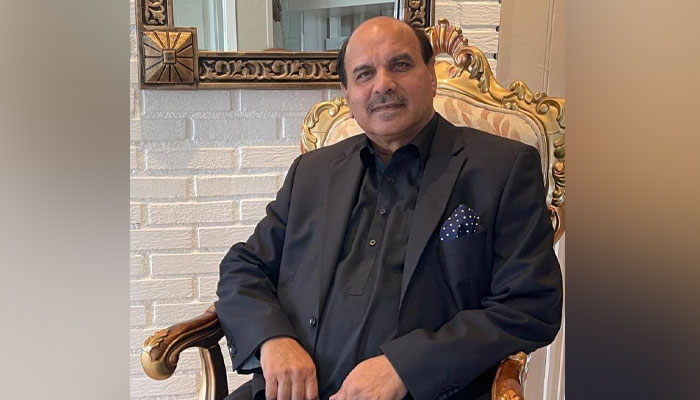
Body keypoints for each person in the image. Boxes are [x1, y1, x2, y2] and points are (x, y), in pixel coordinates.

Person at [216, 16, 562, 400]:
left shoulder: (502, 168)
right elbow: (244, 266)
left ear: (431, 75)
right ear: (347, 94)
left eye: (400, 64)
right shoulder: (311, 172)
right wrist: (273, 339)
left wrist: (406, 367)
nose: (383, 84)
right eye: (364, 74)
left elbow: (530, 304)